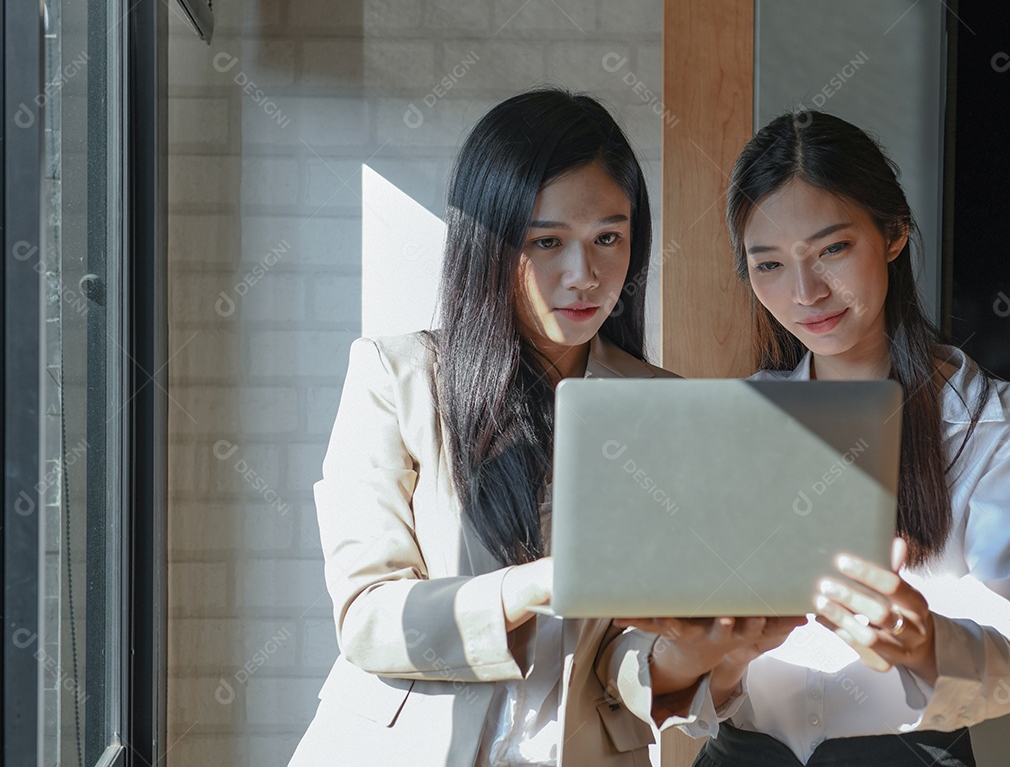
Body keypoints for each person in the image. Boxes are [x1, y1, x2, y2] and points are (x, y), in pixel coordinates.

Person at [289, 87, 755, 766]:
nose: (584, 275)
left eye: (608, 239)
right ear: (490, 240)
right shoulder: (396, 378)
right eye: (547, 241)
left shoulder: (661, 407)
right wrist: (538, 584)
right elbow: (368, 617)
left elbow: (628, 657)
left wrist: (708, 649)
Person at [651, 110, 1010, 766]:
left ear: (893, 233)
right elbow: (706, 681)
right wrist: (720, 650)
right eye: (770, 264)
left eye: (832, 250)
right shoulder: (738, 420)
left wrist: (924, 640)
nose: (806, 291)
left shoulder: (1000, 426)